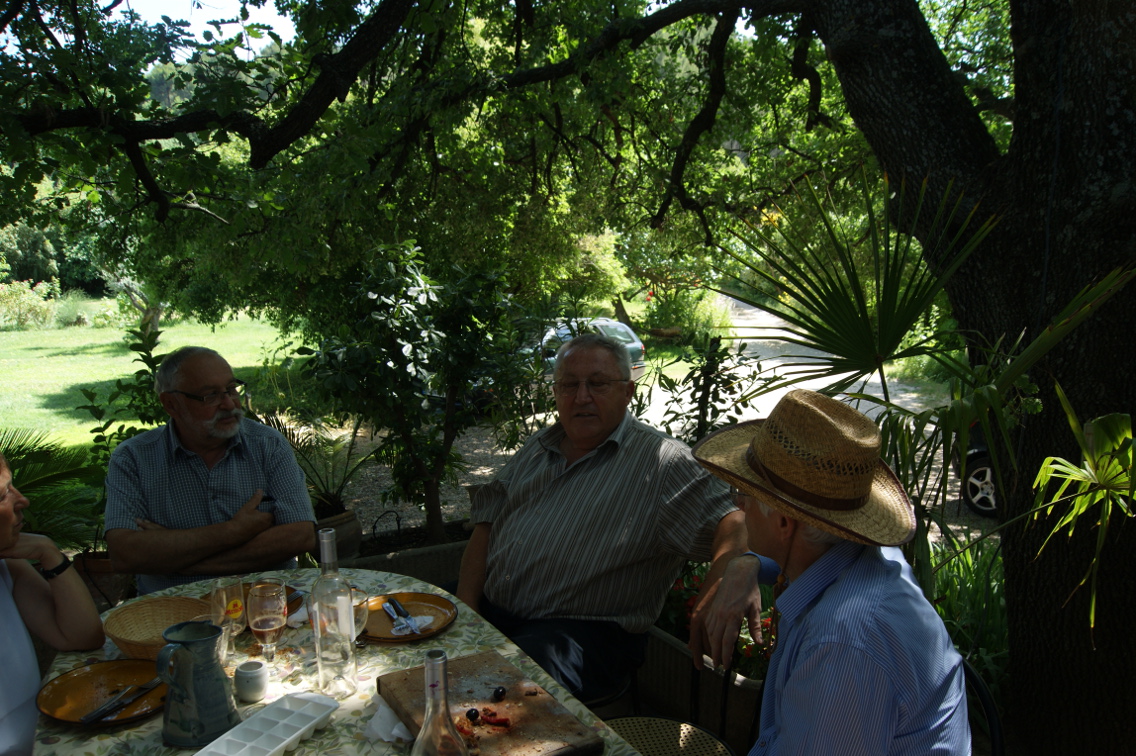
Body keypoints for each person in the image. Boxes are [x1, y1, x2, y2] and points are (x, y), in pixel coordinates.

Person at [456, 333, 753, 702]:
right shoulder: (540, 445)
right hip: (495, 615)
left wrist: (735, 571)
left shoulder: (663, 462)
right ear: (556, 392)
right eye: (569, 385)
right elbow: (487, 523)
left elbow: (733, 521)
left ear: (628, 392)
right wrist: (466, 612)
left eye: (598, 383)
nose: (582, 397)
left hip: (581, 639)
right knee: (422, 651)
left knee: (498, 697)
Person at [691, 389, 971, 755]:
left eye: (744, 492)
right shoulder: (865, 553)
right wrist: (749, 562)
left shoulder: (842, 642)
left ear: (784, 523)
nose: (739, 504)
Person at [104, 347, 317, 594]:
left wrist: (181, 561)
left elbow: (300, 536)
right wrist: (233, 531)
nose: (229, 403)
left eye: (231, 389)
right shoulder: (133, 458)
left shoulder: (267, 444)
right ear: (171, 404)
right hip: (170, 609)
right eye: (210, 396)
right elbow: (124, 553)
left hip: (265, 603)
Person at [0, 453, 105, 755]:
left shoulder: (7, 567)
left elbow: (81, 636)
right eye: (3, 495)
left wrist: (48, 552)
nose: (22, 500)